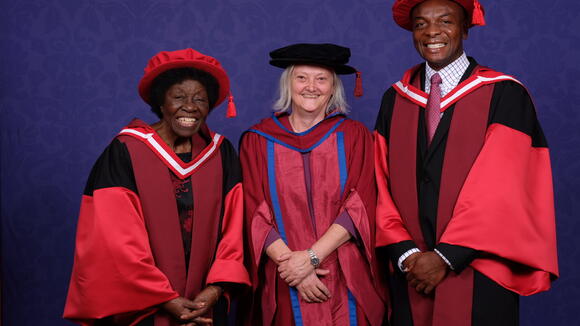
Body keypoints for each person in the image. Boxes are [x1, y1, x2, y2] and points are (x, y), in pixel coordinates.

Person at [374, 1, 559, 325]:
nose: (432, 32)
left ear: (465, 28)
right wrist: (405, 253)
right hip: (411, 273)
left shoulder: (504, 95)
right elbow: (379, 182)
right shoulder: (395, 98)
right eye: (420, 24)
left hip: (480, 272)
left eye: (445, 21)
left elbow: (504, 189)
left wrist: (446, 257)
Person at [63, 48, 250, 326]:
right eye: (178, 97)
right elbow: (114, 239)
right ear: (160, 102)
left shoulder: (220, 153)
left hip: (206, 305)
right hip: (144, 307)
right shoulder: (127, 150)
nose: (190, 106)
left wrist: (216, 288)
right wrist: (165, 299)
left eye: (200, 98)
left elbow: (233, 228)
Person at [239, 43, 386, 326]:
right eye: (301, 77)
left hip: (343, 274)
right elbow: (252, 209)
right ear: (288, 83)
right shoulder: (257, 140)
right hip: (284, 275)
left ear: (333, 88)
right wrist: (293, 267)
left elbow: (361, 204)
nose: (311, 87)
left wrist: (310, 259)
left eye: (322, 79)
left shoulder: (355, 136)